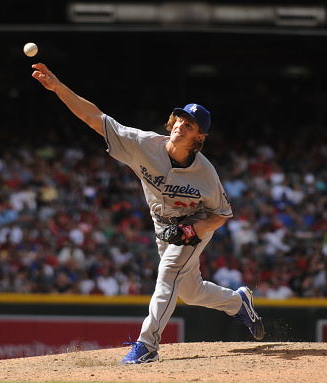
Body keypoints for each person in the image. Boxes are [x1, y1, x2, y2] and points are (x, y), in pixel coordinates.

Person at [31, 63, 264, 364]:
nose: (180, 125)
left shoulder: (206, 175)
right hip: (161, 225)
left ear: (198, 139)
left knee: (168, 275)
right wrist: (58, 88)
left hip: (192, 227)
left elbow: (220, 216)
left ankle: (147, 346)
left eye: (189, 125)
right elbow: (95, 118)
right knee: (190, 293)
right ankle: (238, 302)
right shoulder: (142, 145)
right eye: (179, 118)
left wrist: (191, 232)